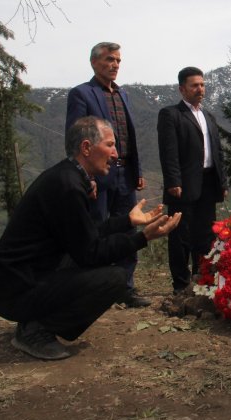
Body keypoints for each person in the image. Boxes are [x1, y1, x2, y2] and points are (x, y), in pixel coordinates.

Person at [0, 117, 181, 361]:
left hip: (16, 278)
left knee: (97, 267)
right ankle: (35, 330)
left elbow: (84, 233)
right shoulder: (68, 186)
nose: (115, 154)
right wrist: (142, 238)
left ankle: (34, 320)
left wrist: (128, 222)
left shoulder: (67, 177)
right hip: (15, 288)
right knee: (114, 279)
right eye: (110, 145)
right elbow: (90, 252)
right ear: (87, 148)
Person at [66, 42, 149, 307]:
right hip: (98, 174)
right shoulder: (82, 94)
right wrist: (83, 176)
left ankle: (125, 287)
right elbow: (75, 138)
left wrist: (137, 171)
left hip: (125, 174)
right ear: (94, 63)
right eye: (109, 60)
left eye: (118, 61)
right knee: (97, 229)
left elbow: (129, 135)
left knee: (127, 227)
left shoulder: (122, 94)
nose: (114, 65)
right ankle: (95, 286)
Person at [157, 67, 228, 294]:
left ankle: (202, 276)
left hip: (208, 183)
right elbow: (169, 152)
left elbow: (218, 152)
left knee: (205, 234)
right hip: (183, 184)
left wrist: (222, 182)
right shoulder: (171, 115)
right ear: (182, 89)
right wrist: (173, 181)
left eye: (202, 84)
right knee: (180, 235)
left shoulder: (208, 116)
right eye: (194, 85)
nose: (200, 89)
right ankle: (180, 283)